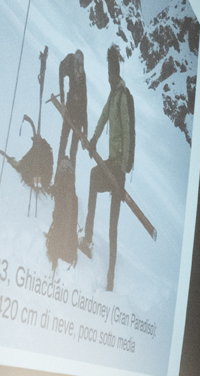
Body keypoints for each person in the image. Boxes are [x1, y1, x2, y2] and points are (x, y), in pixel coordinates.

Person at [80, 46, 135, 291]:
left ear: (117, 72)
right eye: (108, 72)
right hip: (111, 165)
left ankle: (110, 280)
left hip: (119, 170)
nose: (109, 76)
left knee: (113, 224)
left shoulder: (124, 96)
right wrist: (93, 141)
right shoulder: (113, 95)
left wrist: (123, 171)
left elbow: (129, 133)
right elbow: (103, 118)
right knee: (93, 178)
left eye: (112, 72)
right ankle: (88, 240)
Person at [55, 50, 87, 175]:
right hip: (69, 110)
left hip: (78, 115)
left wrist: (85, 131)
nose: (78, 69)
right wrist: (62, 102)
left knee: (73, 150)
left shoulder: (82, 74)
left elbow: (85, 102)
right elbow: (60, 75)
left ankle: (70, 185)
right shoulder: (68, 61)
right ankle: (58, 180)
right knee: (63, 143)